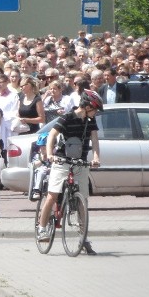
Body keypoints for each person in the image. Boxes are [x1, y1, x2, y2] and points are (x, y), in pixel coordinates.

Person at [37, 89, 102, 255]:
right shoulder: (67, 117)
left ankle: (83, 236)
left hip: (80, 162)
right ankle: (42, 228)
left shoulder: (90, 120)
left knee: (82, 201)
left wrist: (96, 157)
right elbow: (52, 134)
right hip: (62, 160)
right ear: (87, 106)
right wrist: (50, 154)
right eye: (95, 109)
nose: (96, 113)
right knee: (52, 195)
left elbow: (94, 139)